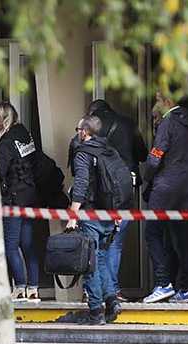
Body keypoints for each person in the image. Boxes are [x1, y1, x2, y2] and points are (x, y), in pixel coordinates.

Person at [141, 92, 188, 303]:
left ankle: (163, 282)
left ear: (168, 101)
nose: (155, 104)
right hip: (187, 188)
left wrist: (147, 177)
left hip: (165, 187)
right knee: (183, 237)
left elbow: (156, 155)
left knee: (152, 233)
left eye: (158, 100)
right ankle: (185, 288)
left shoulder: (168, 122)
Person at [66, 116, 123, 325]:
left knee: (89, 263)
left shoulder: (83, 153)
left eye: (78, 129)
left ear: (84, 131)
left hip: (90, 215)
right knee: (100, 259)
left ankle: (96, 311)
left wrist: (73, 214)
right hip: (109, 215)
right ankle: (112, 300)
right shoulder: (110, 151)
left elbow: (81, 183)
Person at [87, 99, 146, 299]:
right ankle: (112, 289)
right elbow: (142, 154)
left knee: (95, 241)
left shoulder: (90, 126)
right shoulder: (128, 123)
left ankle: (94, 290)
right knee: (115, 242)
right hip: (125, 187)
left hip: (99, 191)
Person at [0, 102, 41, 302]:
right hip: (29, 196)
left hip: (12, 199)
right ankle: (34, 287)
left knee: (10, 245)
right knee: (28, 243)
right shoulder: (24, 135)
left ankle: (20, 287)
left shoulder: (5, 143)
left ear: (4, 120)